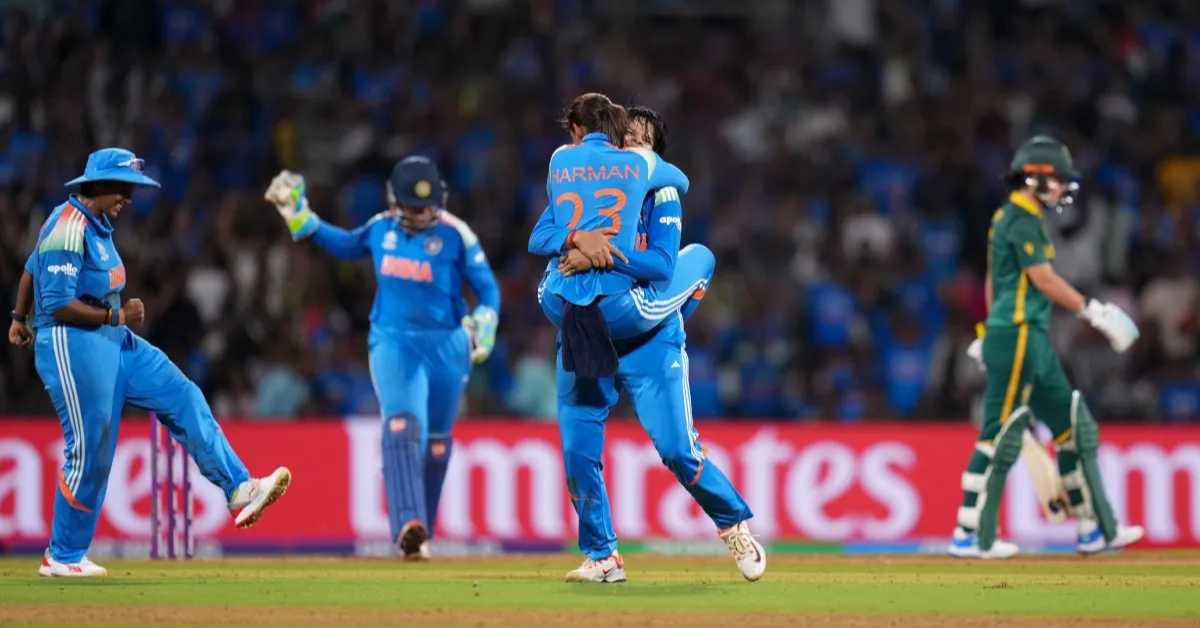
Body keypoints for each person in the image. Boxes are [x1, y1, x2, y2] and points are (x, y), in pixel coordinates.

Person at [10, 148, 291, 577]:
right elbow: (57, 302)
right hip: (72, 343)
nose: (129, 198)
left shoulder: (94, 224)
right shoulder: (68, 225)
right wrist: (116, 316)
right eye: (124, 189)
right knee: (91, 451)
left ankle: (240, 489)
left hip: (113, 342)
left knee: (182, 394)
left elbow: (31, 268)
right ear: (98, 185)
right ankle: (63, 556)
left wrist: (17, 317)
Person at [530, 104, 764, 583]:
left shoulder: (661, 191)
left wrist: (602, 255)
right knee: (577, 454)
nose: (633, 142)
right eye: (627, 134)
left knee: (678, 450)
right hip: (590, 330)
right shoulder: (589, 183)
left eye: (643, 138)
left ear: (654, 151)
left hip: (649, 338)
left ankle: (732, 524)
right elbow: (545, 234)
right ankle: (602, 555)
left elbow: (660, 264)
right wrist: (575, 240)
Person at [265, 155, 500, 561]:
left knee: (437, 444)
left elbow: (488, 289)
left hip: (448, 348)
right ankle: (408, 525)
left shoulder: (455, 233)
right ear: (395, 201)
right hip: (394, 343)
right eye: (413, 206)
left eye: (427, 206)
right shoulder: (381, 228)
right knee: (402, 425)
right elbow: (344, 244)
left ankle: (421, 534)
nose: (422, 213)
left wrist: (487, 319)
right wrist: (302, 218)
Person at [950, 136, 1144, 558]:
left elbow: (994, 279)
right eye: (1056, 179)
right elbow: (1043, 279)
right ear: (1034, 178)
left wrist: (988, 328)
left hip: (1029, 335)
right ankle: (968, 533)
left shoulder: (1015, 217)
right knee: (998, 433)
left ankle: (1093, 528)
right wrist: (1094, 311)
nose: (1062, 189)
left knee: (1072, 427)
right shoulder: (1019, 218)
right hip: (1018, 334)